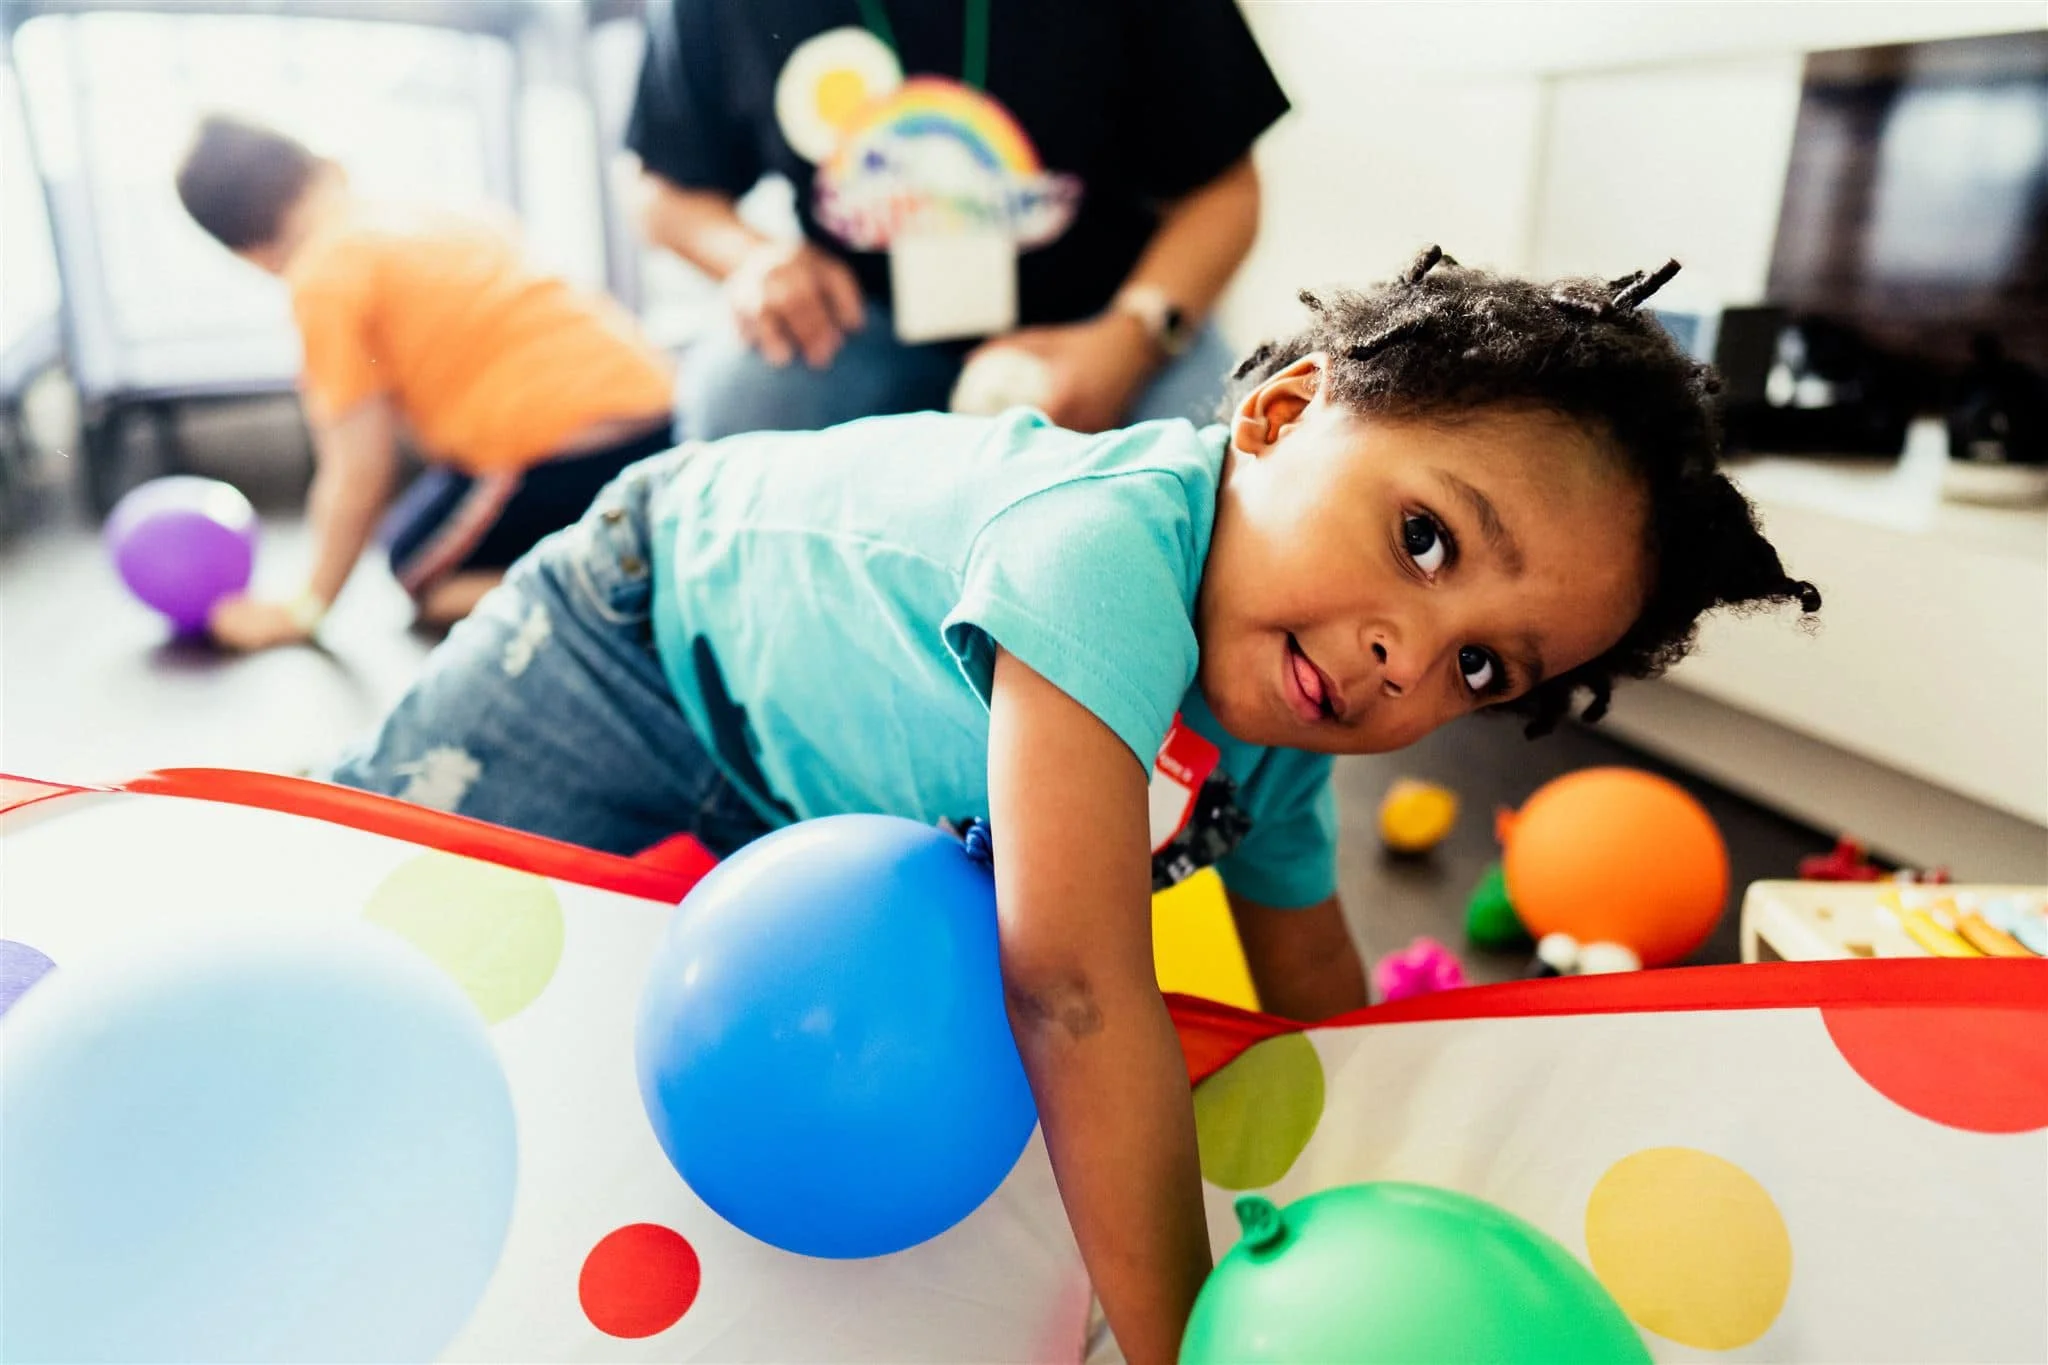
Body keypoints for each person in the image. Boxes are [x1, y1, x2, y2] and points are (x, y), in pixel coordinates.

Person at [324, 250, 1819, 1364]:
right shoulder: (1103, 552)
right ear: (1285, 416)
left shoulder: (1285, 714)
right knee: (380, 891)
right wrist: (1173, 1336)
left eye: (1483, 664)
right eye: (1423, 539)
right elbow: (1075, 990)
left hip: (809, 787)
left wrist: (1373, 1181)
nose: (1402, 662)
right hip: (640, 633)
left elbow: (1306, 967)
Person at [628, 0, 1282, 438]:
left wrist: (1131, 338)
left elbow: (1227, 195)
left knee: (1220, 458)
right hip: (859, 321)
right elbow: (660, 189)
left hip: (1114, 311)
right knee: (736, 403)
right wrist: (751, 257)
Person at [173, 116, 677, 651]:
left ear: (249, 251)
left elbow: (358, 473)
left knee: (420, 573)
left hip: (567, 443)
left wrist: (307, 608)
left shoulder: (322, 275)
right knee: (415, 524)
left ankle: (628, 585)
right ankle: (627, 544)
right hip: (654, 414)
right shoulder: (421, 210)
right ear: (318, 166)